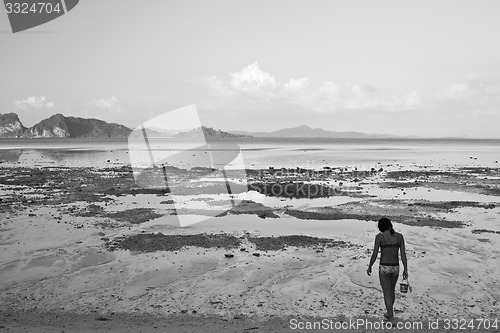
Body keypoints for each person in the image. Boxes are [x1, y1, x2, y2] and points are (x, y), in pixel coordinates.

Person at [367, 217, 408, 322]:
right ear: (390, 225)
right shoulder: (399, 237)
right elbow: (403, 254)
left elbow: (375, 254)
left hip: (384, 267)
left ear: (381, 227)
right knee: (391, 291)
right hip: (395, 267)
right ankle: (388, 313)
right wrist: (405, 269)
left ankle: (392, 318)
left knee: (386, 293)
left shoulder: (379, 237)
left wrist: (370, 265)